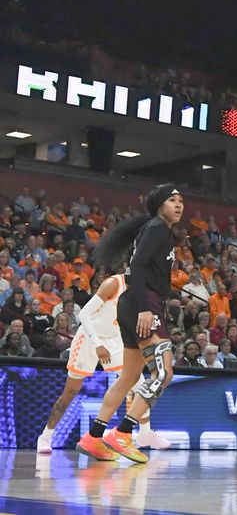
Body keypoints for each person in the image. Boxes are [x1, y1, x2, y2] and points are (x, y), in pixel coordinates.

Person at [77, 183, 183, 464]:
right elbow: (136, 266)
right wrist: (146, 308)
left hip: (134, 302)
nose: (179, 205)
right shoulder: (158, 228)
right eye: (172, 200)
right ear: (160, 205)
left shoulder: (158, 229)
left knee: (129, 378)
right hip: (142, 301)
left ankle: (93, 437)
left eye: (180, 200)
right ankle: (123, 433)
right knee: (163, 372)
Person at [37, 274, 169, 454]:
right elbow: (84, 314)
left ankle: (145, 433)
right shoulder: (114, 284)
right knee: (71, 391)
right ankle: (45, 436)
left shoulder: (143, 296)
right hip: (89, 339)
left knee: (136, 381)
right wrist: (98, 344)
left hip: (114, 340)